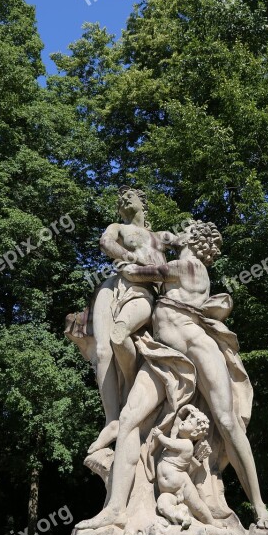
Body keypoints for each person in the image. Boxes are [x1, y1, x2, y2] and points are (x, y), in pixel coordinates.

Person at [76, 220, 268, 530]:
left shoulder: (187, 266)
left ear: (193, 239)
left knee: (227, 422)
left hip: (198, 347)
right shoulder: (178, 265)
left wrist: (126, 248)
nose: (174, 232)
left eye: (183, 229)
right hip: (165, 356)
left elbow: (136, 272)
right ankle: (116, 508)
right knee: (129, 419)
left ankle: (261, 509)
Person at [72, 186, 176, 454]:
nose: (123, 199)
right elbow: (106, 243)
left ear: (143, 203)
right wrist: (130, 257)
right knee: (104, 349)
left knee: (120, 336)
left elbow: (185, 244)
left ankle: (131, 390)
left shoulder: (159, 236)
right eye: (120, 199)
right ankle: (111, 420)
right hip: (115, 284)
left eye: (130, 196)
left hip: (145, 290)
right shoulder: (117, 227)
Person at [155, 406, 221, 528]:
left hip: (182, 484)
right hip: (168, 491)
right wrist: (186, 408)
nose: (184, 422)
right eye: (186, 419)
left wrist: (159, 435)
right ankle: (182, 517)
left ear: (195, 432)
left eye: (189, 422)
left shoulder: (186, 445)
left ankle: (211, 522)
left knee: (197, 505)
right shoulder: (176, 436)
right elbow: (178, 419)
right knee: (162, 504)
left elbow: (168, 443)